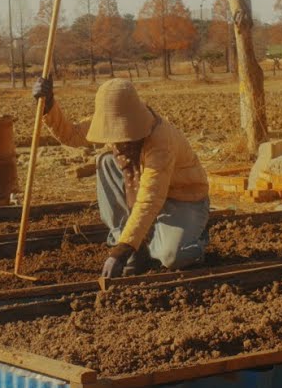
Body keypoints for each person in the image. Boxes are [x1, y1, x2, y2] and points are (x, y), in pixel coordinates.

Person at [32, 76, 209, 280]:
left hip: (182, 199)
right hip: (148, 196)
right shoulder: (111, 117)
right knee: (107, 161)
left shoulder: (160, 141)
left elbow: (149, 200)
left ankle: (196, 237)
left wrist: (121, 251)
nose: (118, 139)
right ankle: (132, 239)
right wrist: (48, 105)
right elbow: (72, 135)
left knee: (171, 257)